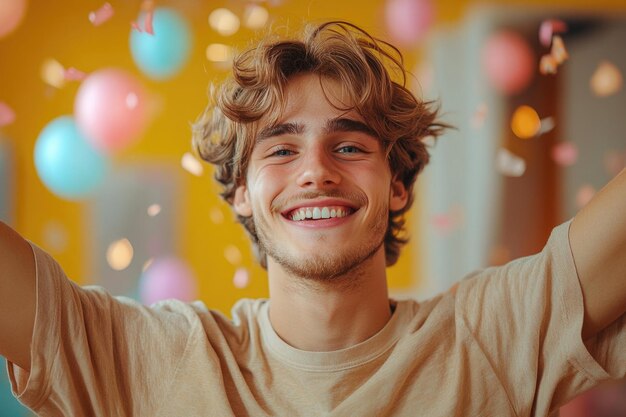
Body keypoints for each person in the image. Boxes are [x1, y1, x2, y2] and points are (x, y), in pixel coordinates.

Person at [0, 20, 624, 417]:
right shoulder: (143, 357)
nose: (316, 171)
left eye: (349, 146)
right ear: (241, 192)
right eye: (280, 148)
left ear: (398, 184)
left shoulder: (490, 335)